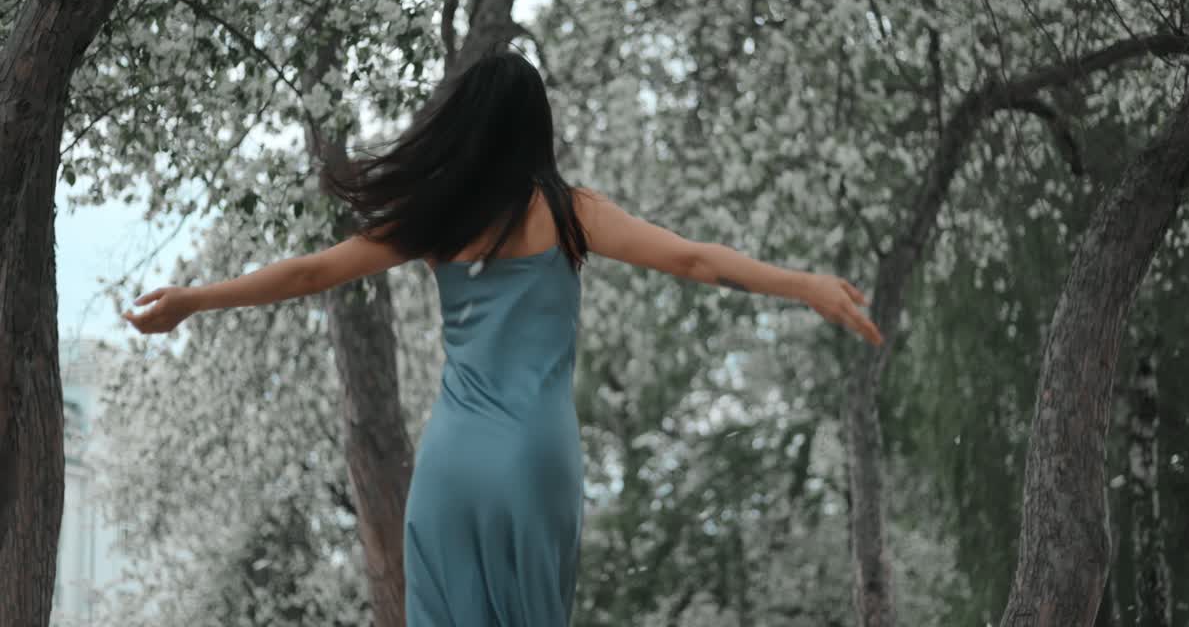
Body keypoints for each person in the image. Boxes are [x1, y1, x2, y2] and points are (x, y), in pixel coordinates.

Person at [122, 47, 883, 626]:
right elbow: (690, 257)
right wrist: (803, 284)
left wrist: (194, 298)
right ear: (535, 131)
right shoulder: (572, 210)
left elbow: (308, 275)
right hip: (535, 460)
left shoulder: (434, 217)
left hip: (453, 464)